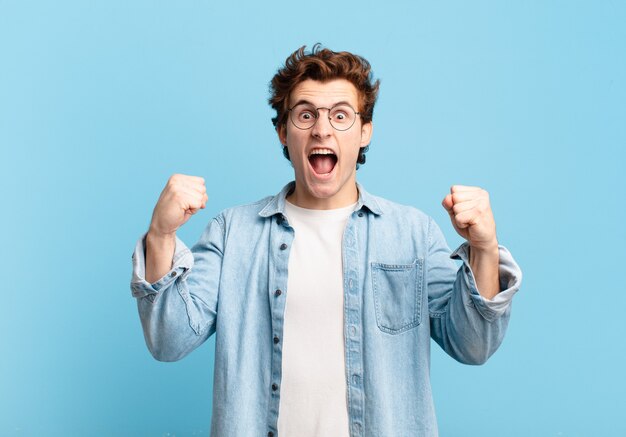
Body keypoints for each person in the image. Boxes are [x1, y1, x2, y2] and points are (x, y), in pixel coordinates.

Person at [130, 44, 522, 437]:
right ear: (283, 132)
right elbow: (169, 340)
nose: (322, 129)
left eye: (340, 115)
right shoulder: (233, 233)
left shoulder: (413, 234)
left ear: (365, 131)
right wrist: (162, 235)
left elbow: (473, 345)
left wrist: (484, 250)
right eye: (305, 115)